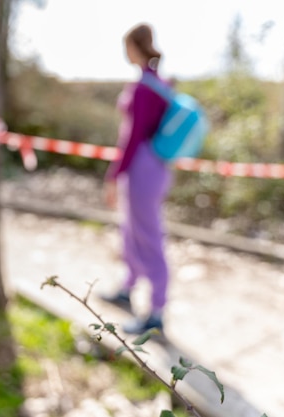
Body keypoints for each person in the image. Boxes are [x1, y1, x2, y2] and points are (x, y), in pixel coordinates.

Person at [101, 23, 172, 335]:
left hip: (142, 167)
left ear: (135, 47)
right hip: (153, 167)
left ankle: (156, 311)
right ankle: (128, 288)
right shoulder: (157, 83)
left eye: (126, 46)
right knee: (131, 231)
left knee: (148, 235)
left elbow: (132, 138)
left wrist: (113, 175)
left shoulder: (145, 88)